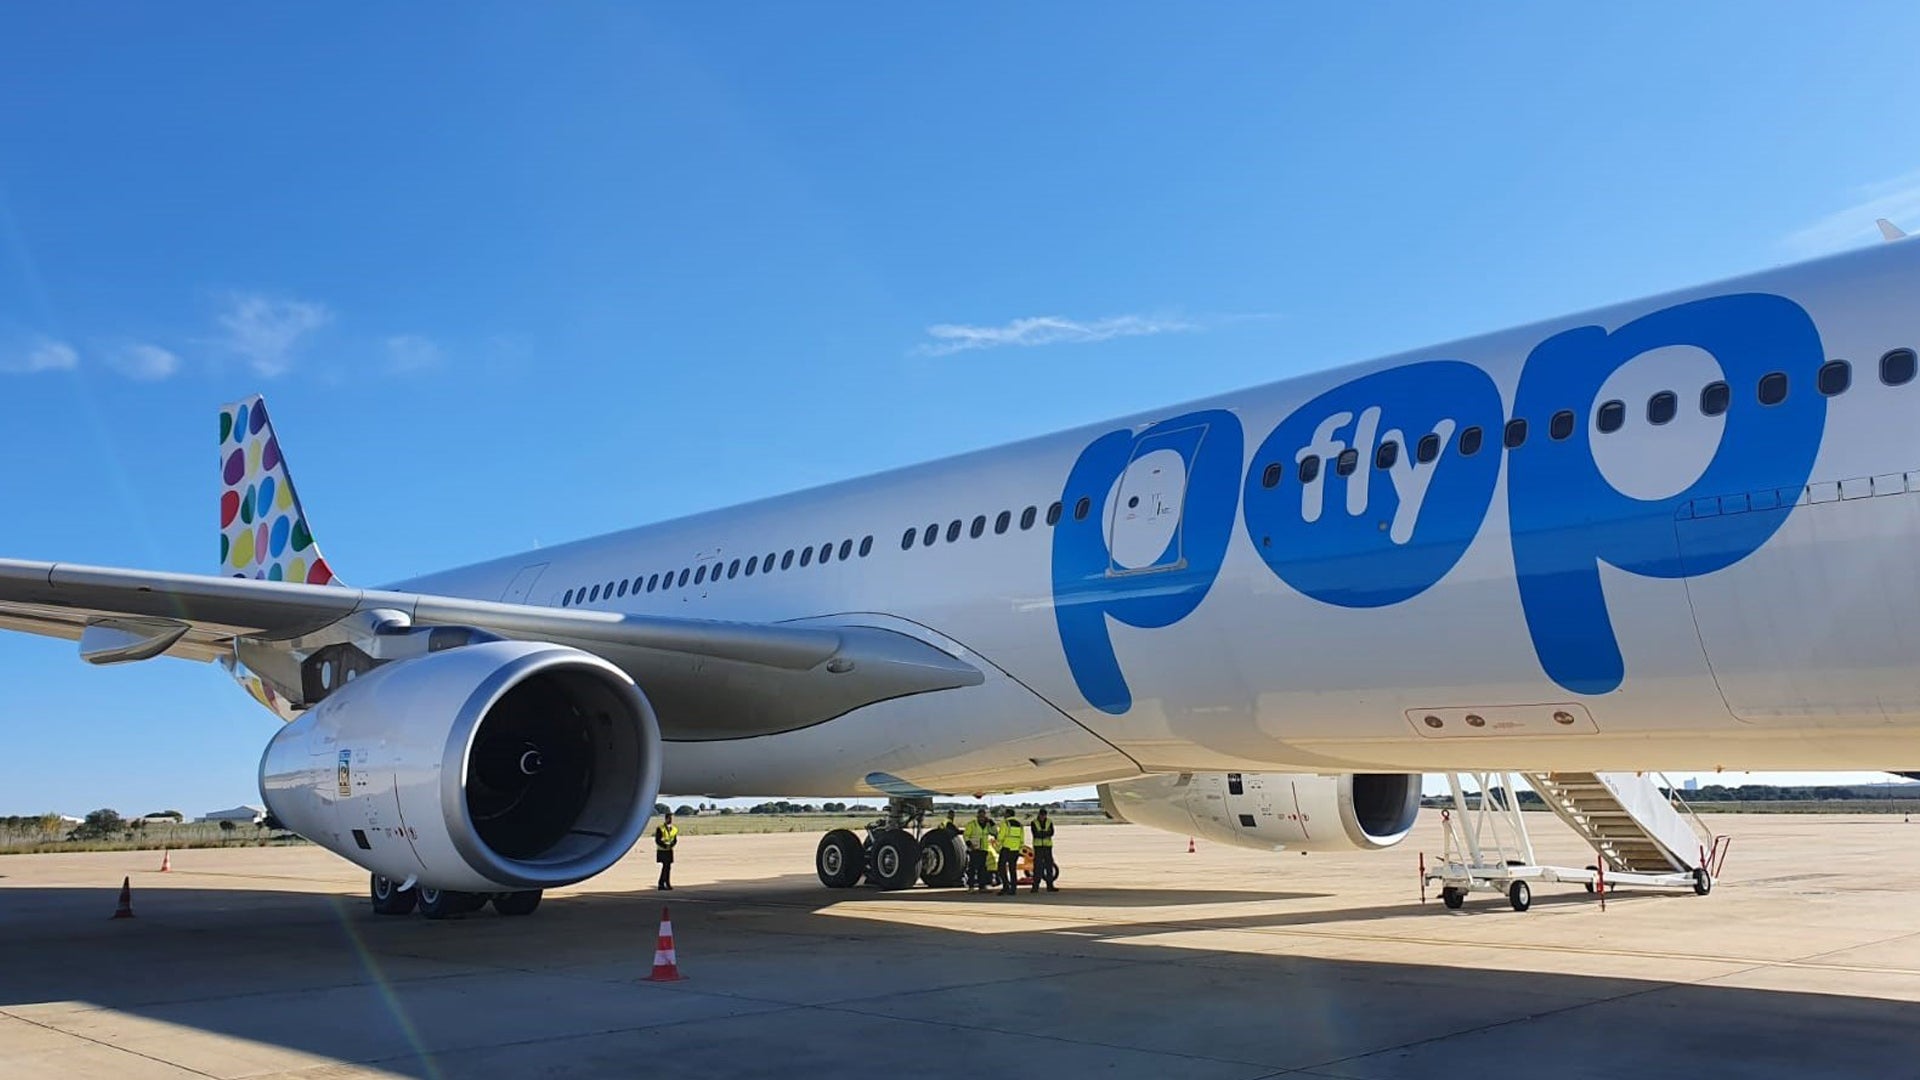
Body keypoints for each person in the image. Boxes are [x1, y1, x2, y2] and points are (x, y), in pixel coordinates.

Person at [963, 807, 995, 892]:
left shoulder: (987, 825)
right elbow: (966, 835)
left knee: (983, 869)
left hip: (984, 849)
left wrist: (992, 823)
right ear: (977, 816)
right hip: (974, 849)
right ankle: (971, 886)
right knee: (972, 868)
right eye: (980, 815)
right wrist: (969, 844)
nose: (981, 817)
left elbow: (994, 832)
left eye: (983, 815)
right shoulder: (972, 824)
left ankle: (982, 886)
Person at [996, 808, 1025, 896]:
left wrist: (998, 846)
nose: (1004, 815)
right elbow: (1022, 838)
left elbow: (1001, 836)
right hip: (1015, 850)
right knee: (1012, 869)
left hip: (1006, 848)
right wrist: (1019, 849)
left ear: (1008, 814)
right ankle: (1013, 888)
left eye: (1005, 814)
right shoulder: (1020, 825)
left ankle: (1005, 886)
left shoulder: (1005, 823)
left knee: (1001, 868)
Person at [1029, 807, 1058, 892]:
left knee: (1049, 867)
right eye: (1041, 815)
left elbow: (1052, 833)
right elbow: (1035, 834)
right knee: (1037, 867)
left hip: (1047, 847)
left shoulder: (1049, 822)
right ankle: (1035, 887)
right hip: (1038, 847)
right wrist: (1045, 833)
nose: (1043, 817)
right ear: (1039, 815)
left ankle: (1050, 886)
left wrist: (1042, 833)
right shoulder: (1034, 822)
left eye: (1044, 815)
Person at [654, 812, 678, 890]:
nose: (671, 820)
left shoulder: (674, 829)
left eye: (671, 818)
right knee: (665, 867)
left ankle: (666, 883)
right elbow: (657, 840)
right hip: (662, 850)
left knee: (668, 867)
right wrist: (665, 846)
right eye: (669, 818)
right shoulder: (660, 828)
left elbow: (675, 840)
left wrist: (671, 845)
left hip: (669, 850)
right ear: (666, 819)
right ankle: (662, 883)